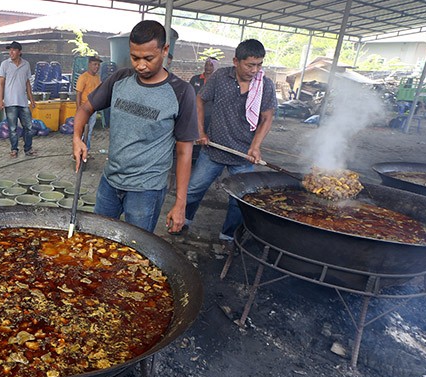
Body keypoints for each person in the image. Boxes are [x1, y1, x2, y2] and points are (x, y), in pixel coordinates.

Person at [72, 20, 198, 233]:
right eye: (135, 57)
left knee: (136, 246)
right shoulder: (120, 79)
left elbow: (184, 151)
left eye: (148, 58)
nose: (140, 65)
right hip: (110, 181)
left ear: (165, 50)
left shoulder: (182, 92)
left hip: (146, 190)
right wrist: (77, 138)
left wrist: (180, 203)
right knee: (97, 238)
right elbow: (85, 108)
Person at [173, 39, 277, 244]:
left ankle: (228, 236)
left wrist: (255, 147)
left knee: (240, 200)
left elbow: (267, 118)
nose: (255, 70)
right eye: (250, 65)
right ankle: (182, 221)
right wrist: (200, 131)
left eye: (259, 65)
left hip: (243, 155)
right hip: (213, 150)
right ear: (236, 61)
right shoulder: (220, 77)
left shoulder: (265, 85)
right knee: (193, 190)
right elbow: (199, 100)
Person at [0, 41, 37, 158]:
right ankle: (14, 149)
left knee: (29, 127)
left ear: (19, 52)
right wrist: (1, 100)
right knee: (12, 128)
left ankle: (28, 149)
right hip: (10, 102)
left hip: (23, 102)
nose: (11, 52)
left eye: (14, 50)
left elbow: (27, 83)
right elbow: (1, 84)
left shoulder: (26, 64)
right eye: (10, 50)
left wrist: (31, 99)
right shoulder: (5, 64)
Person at [75, 55, 102, 151]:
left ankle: (86, 150)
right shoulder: (83, 77)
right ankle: (79, 151)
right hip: (84, 108)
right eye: (95, 64)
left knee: (89, 131)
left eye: (98, 65)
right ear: (89, 65)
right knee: (82, 131)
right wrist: (79, 109)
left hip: (93, 108)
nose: (97, 67)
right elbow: (78, 94)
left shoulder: (97, 78)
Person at [189, 57, 219, 133]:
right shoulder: (195, 79)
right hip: (194, 113)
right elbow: (189, 95)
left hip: (210, 115)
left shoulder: (217, 82)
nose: (208, 67)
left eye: (211, 65)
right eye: (206, 65)